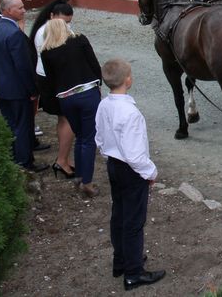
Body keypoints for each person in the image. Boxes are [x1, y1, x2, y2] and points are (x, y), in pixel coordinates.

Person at [95, 58, 166, 290]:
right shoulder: (130, 113)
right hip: (131, 169)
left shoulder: (104, 105)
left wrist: (108, 156)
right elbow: (135, 155)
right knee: (134, 221)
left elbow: (99, 135)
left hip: (114, 165)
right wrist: (150, 172)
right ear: (128, 80)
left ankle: (121, 261)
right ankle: (133, 273)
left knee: (119, 213)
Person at [41, 19, 102, 195]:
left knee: (80, 137)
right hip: (87, 93)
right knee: (89, 139)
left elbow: (50, 80)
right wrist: (98, 84)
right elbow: (94, 63)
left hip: (66, 98)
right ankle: (87, 183)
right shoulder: (79, 40)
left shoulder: (46, 52)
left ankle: (79, 176)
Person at [0, 0, 46, 171]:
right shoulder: (14, 33)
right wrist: (33, 90)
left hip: (0, 86)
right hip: (17, 88)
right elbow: (23, 66)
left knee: (11, 123)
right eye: (19, 8)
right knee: (22, 125)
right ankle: (25, 161)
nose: (24, 10)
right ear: (7, 10)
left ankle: (15, 157)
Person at [30, 0, 77, 178]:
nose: (66, 25)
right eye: (63, 21)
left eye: (68, 22)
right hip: (54, 80)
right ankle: (62, 160)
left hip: (56, 78)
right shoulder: (45, 32)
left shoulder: (51, 28)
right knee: (67, 119)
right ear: (52, 16)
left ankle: (63, 158)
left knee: (65, 119)